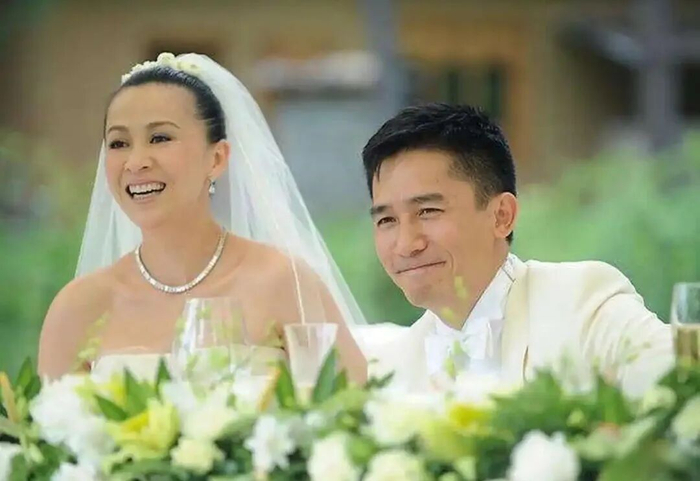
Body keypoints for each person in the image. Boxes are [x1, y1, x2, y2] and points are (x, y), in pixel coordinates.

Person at [38, 53, 367, 383]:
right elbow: (51, 415)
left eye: (160, 138)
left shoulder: (283, 282)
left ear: (217, 158)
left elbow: (348, 404)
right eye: (119, 142)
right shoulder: (78, 307)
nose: (135, 162)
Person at [362, 103, 673, 396]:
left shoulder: (584, 303)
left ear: (502, 216)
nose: (406, 244)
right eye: (386, 220)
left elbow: (683, 389)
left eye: (428, 211)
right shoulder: (392, 369)